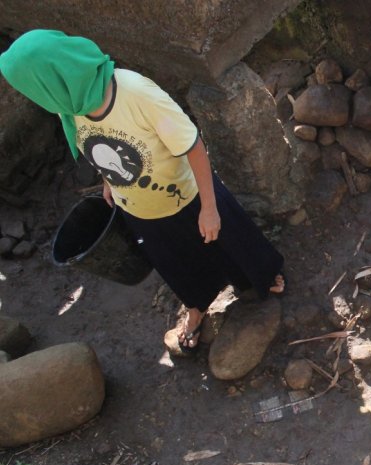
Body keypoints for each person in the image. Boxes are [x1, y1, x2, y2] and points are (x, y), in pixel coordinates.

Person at [0, 29, 285, 351]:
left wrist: (209, 207)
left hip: (188, 195)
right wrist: (109, 179)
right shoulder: (72, 105)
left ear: (54, 79)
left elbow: (192, 146)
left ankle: (262, 275)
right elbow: (98, 144)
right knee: (175, 262)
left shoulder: (135, 93)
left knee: (233, 242)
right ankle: (197, 305)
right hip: (140, 207)